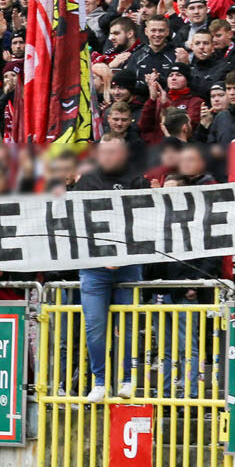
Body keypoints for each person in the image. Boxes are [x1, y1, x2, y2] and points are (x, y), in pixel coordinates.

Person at [70, 137, 149, 402]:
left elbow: (144, 222)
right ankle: (100, 381)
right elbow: (77, 224)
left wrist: (122, 253)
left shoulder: (136, 179)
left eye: (113, 152)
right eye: (104, 152)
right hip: (93, 266)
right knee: (94, 325)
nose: (107, 157)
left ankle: (128, 379)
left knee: (128, 325)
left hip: (128, 264)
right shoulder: (86, 181)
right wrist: (101, 255)